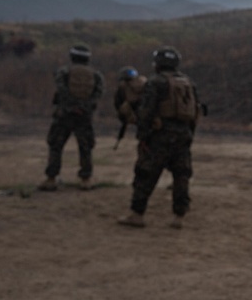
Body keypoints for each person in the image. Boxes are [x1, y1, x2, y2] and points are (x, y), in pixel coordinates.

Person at [118, 46, 200, 229]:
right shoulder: (188, 82)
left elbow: (146, 112)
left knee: (145, 174)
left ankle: (137, 214)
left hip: (160, 136)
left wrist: (143, 136)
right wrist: (188, 135)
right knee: (181, 175)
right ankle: (179, 216)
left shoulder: (156, 82)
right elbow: (195, 112)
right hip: (183, 135)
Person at [39, 44, 105, 191]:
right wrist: (83, 107)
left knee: (56, 145)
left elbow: (61, 90)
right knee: (85, 147)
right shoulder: (96, 74)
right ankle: (86, 179)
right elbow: (98, 94)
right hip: (84, 116)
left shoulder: (64, 71)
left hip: (64, 115)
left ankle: (51, 179)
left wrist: (71, 106)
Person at [112, 66, 147, 149]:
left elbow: (117, 103)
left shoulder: (123, 86)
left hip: (133, 113)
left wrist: (123, 116)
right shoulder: (144, 81)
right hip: (147, 112)